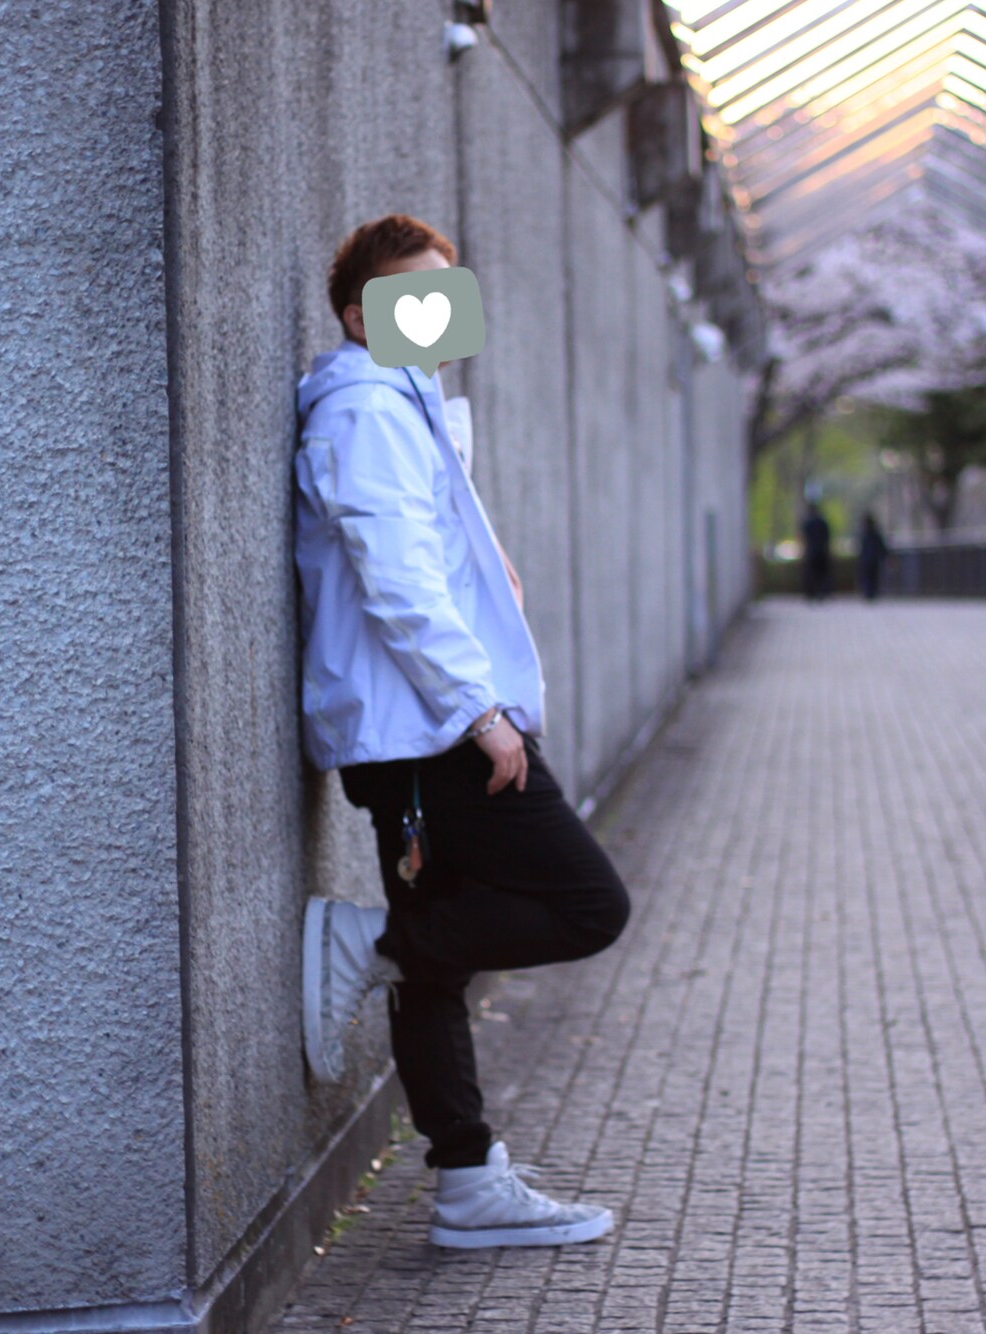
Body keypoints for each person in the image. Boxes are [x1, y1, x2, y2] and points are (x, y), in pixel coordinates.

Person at [294, 214, 630, 1249]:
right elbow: (395, 582)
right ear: (361, 316)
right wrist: (478, 713)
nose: (434, 312)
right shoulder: (367, 409)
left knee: (436, 960)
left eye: (447, 291)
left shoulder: (404, 404)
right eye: (410, 296)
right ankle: (365, 942)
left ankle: (468, 1178)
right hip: (429, 731)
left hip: (418, 727)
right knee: (587, 904)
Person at [800, 500, 831, 601]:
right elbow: (827, 537)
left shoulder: (807, 523)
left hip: (811, 552)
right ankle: (822, 592)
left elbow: (804, 538)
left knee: (811, 574)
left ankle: (811, 593)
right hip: (822, 551)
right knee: (821, 574)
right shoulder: (823, 522)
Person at [857, 511, 888, 601]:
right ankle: (870, 592)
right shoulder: (873, 534)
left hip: (867, 560)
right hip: (873, 559)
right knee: (872, 576)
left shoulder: (865, 534)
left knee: (869, 576)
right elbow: (881, 547)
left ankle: (869, 592)